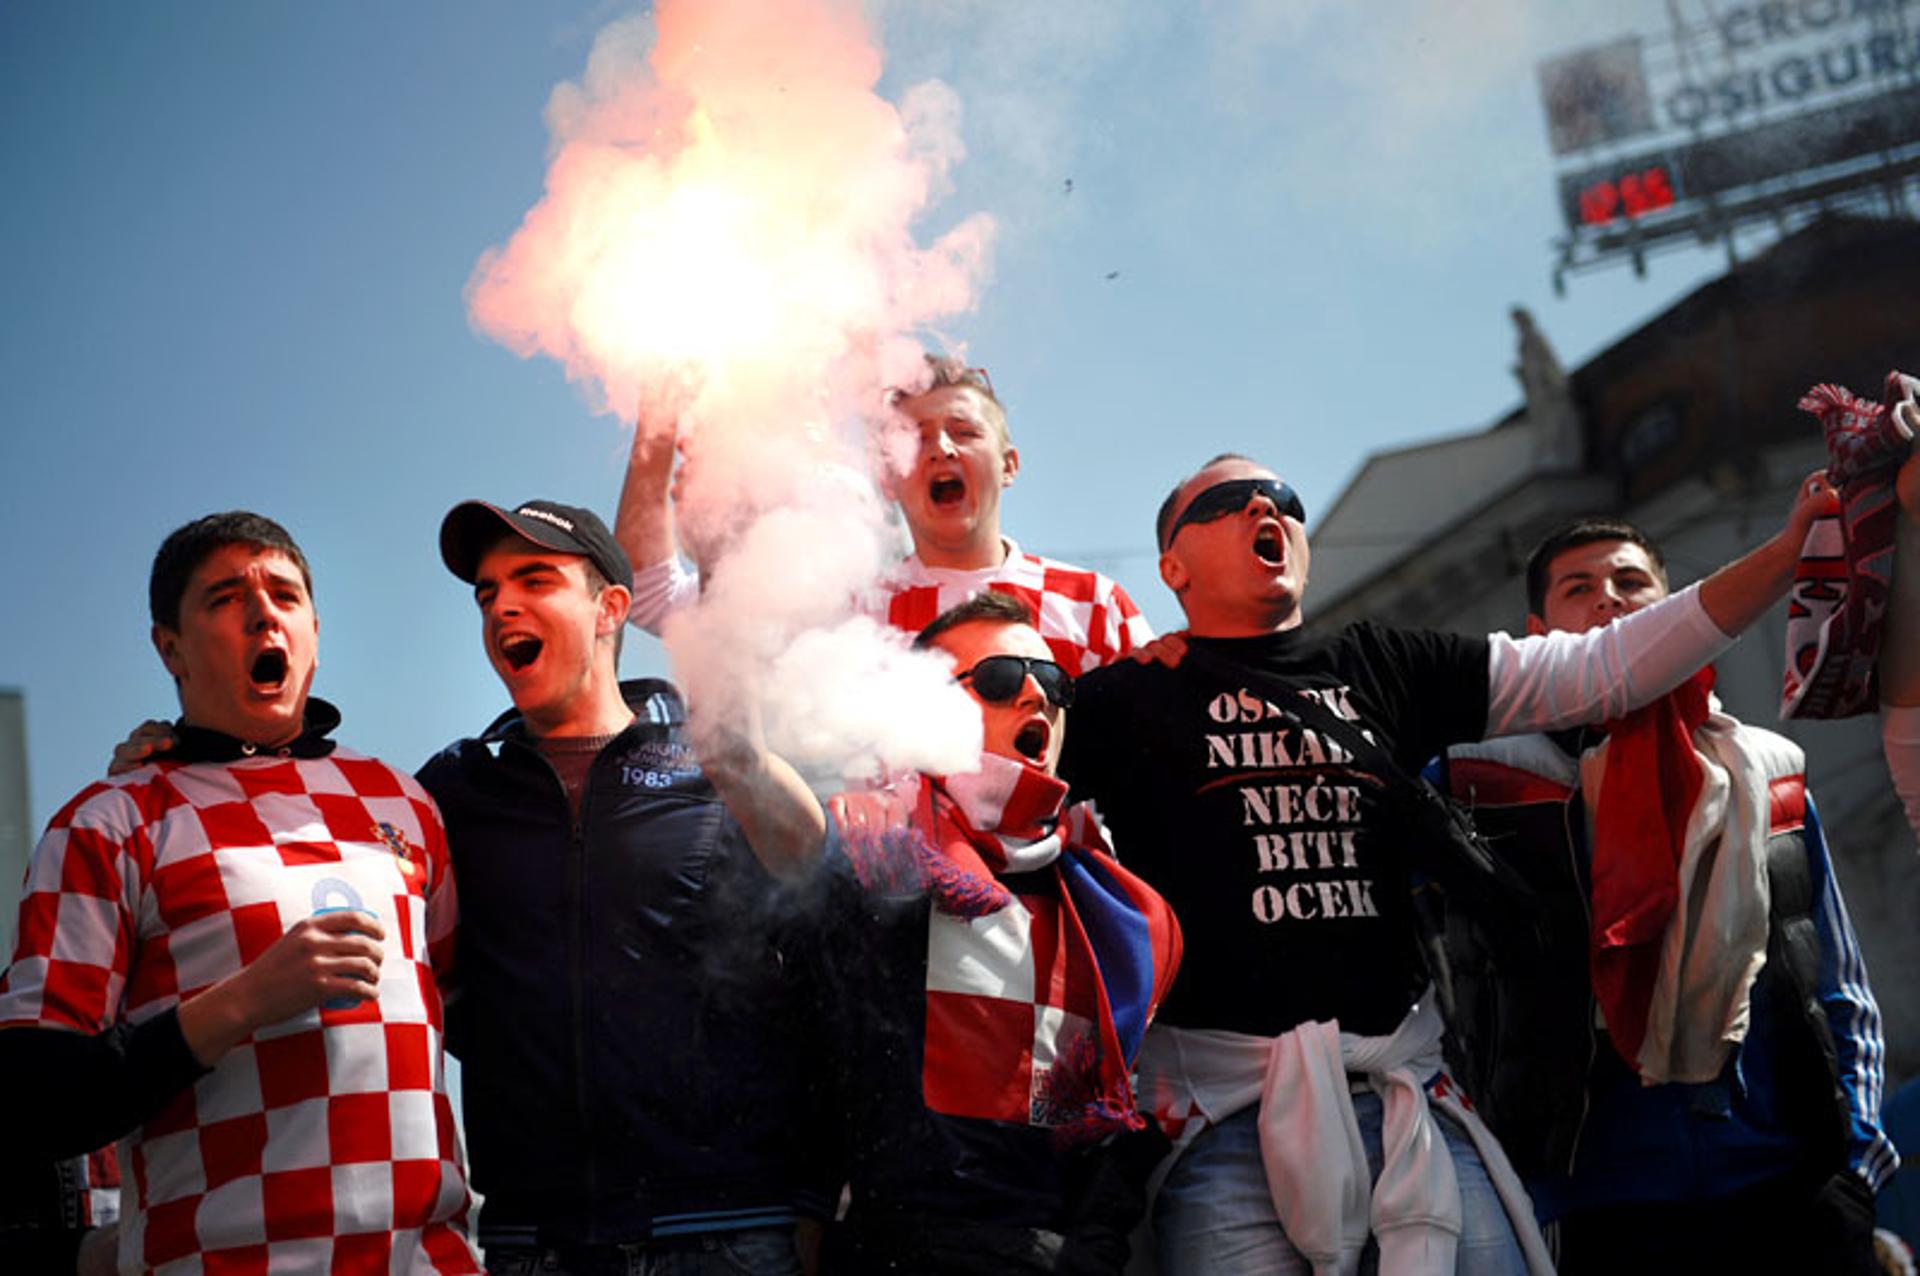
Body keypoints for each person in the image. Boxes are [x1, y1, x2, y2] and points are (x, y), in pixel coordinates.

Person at [1056, 453, 1837, 1275]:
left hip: (1409, 1103)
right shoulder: (1124, 701)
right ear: (1171, 566)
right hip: (1225, 1122)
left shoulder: (1385, 665)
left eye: (1282, 497)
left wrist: (1789, 551)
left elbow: (1604, 669)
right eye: (1225, 500)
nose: (1263, 505)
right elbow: (990, 779)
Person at [0, 511, 481, 1273]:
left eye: (285, 595)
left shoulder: (404, 803)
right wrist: (246, 1002)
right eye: (226, 597)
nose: (264, 612)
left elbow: (475, 1023)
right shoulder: (110, 822)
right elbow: (38, 1096)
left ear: (315, 634)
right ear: (170, 648)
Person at [1435, 516, 1894, 1274]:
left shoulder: (1768, 771)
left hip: (1792, 1182)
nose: (1609, 603)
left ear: (1679, 604)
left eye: (1631, 583)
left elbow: (1838, 978)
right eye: (1579, 590)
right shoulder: (1477, 787)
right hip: (1598, 1203)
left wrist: (1858, 1164)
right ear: (1537, 632)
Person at [685, 590, 1182, 1273]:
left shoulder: (1123, 912)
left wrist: (1092, 1243)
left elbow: (1119, 1125)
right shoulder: (877, 849)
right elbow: (741, 764)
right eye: (1002, 679)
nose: (1036, 694)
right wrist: (730, 592)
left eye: (1055, 682)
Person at [419, 499, 824, 1275]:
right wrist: (177, 757)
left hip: (725, 1232)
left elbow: (821, 920)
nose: (502, 604)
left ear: (611, 608)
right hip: (533, 1240)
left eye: (534, 578)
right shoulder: (454, 788)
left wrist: (813, 1196)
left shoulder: (715, 767)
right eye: (486, 591)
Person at [616, 356, 1152, 673]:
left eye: (964, 432)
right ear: (888, 479)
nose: (941, 449)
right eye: (915, 439)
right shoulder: (846, 617)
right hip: (895, 868)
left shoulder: (1094, 605)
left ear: (1009, 464)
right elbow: (652, 597)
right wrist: (661, 430)